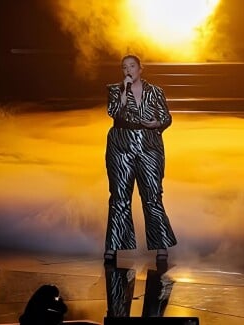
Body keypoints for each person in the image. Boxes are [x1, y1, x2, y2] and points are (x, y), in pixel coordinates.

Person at [103, 54, 177, 264]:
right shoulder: (115, 90)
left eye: (132, 66)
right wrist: (124, 94)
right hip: (121, 145)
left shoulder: (155, 91)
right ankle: (113, 246)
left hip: (149, 146)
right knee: (119, 197)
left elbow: (166, 117)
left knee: (152, 196)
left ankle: (161, 245)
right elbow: (113, 112)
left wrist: (157, 124)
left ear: (140, 68)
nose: (128, 70)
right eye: (124, 67)